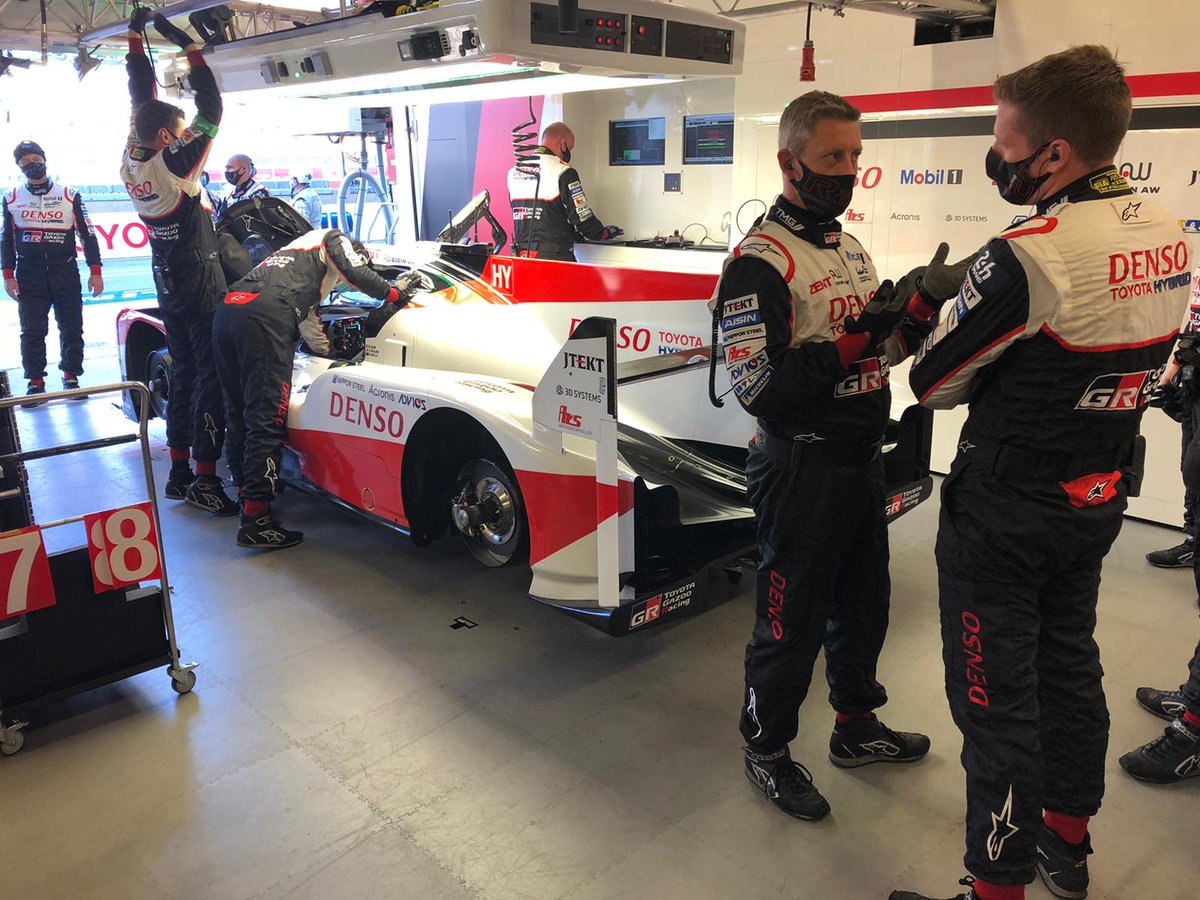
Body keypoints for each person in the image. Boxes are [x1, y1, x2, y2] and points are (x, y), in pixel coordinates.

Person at [891, 46, 1193, 900]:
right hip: (1097, 499)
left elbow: (934, 382)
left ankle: (995, 888)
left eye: (1005, 138)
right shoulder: (1169, 230)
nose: (998, 154)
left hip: (1005, 513)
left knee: (995, 703)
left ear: (1053, 152)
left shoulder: (1033, 250)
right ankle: (1068, 842)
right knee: (1070, 668)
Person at [711, 90, 972, 823]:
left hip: (859, 459)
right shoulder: (759, 264)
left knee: (864, 607)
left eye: (856, 154)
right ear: (789, 161)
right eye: (833, 156)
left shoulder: (847, 246)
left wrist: (916, 312)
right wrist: (861, 338)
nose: (848, 168)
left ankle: (856, 728)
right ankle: (765, 750)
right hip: (798, 467)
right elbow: (759, 387)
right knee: (790, 618)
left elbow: (879, 356)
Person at [212, 228, 408, 549]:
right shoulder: (333, 238)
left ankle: (247, 495)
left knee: (238, 410)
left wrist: (331, 356)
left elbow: (311, 328)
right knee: (267, 415)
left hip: (229, 310)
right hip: (264, 317)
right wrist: (394, 294)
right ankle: (257, 520)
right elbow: (357, 272)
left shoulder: (292, 258)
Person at [121, 10, 236, 515]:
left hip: (165, 278)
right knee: (208, 372)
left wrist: (134, 37)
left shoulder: (131, 155)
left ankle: (180, 470)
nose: (190, 134)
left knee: (183, 368)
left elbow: (140, 98)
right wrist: (189, 46)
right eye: (181, 130)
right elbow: (212, 107)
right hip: (196, 275)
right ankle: (208, 480)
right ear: (169, 138)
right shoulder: (175, 163)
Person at [2, 140, 103, 404]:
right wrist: (8, 275)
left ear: (45, 160)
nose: (31, 164)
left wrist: (95, 270)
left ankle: (71, 376)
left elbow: (88, 234)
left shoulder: (69, 194)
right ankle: (35, 382)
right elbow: (6, 239)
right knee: (32, 329)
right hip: (29, 274)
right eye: (25, 162)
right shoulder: (11, 197)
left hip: (65, 270)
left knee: (72, 326)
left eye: (35, 158)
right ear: (19, 167)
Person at [506, 122, 622, 261]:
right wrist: (604, 233)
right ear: (562, 143)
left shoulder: (515, 171)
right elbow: (582, 217)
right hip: (555, 259)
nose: (569, 153)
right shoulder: (563, 171)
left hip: (522, 257)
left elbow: (529, 215)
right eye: (569, 148)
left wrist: (572, 232)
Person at [214, 154, 270, 222]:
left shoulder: (260, 192)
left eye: (230, 167)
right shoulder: (228, 193)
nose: (227, 171)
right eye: (226, 168)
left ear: (243, 169)